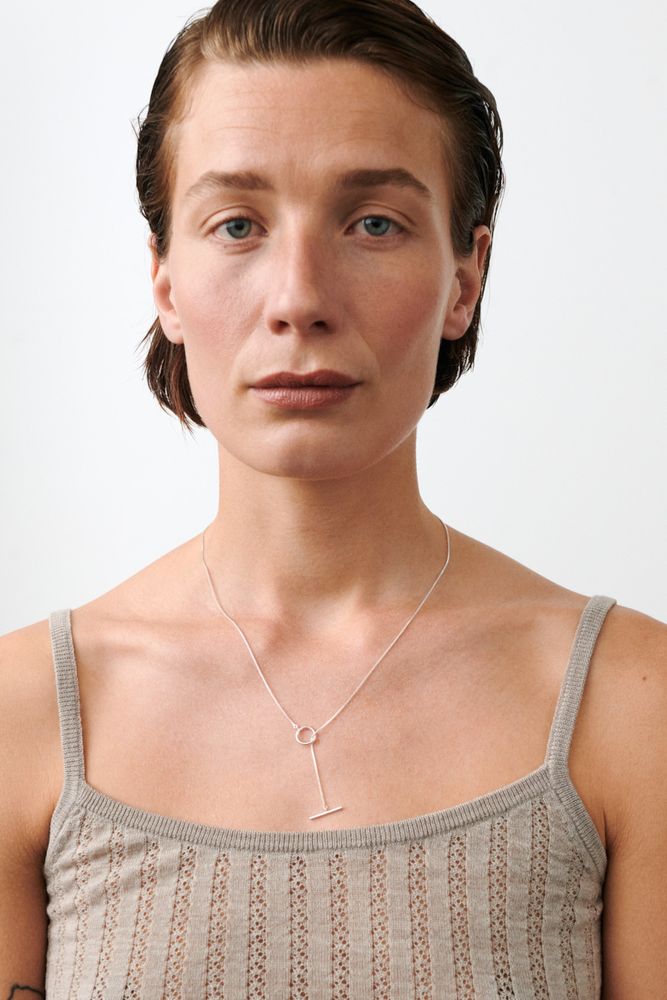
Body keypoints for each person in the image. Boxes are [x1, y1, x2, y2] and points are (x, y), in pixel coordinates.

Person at [1, 0, 665, 996]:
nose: (298, 295)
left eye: (373, 222)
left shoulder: (631, 706)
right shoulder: (24, 718)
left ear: (464, 275)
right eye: (236, 224)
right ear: (165, 280)